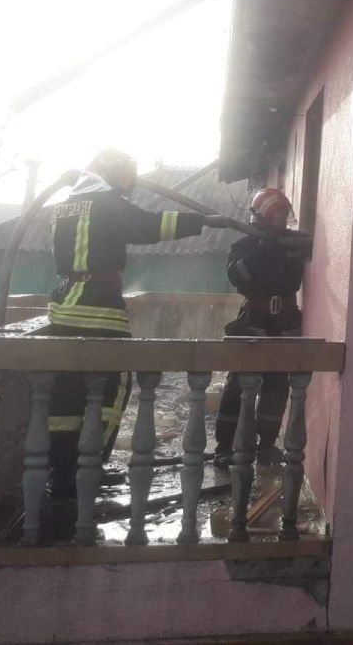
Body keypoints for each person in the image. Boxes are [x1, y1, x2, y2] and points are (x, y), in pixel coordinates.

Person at [47, 149, 232, 501]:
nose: (129, 187)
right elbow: (149, 225)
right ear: (114, 174)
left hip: (63, 304)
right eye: (126, 179)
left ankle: (61, 468)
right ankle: (87, 466)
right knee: (113, 386)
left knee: (65, 391)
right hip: (98, 306)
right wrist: (203, 221)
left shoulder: (66, 205)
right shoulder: (107, 202)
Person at [213, 187, 311, 467]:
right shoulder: (244, 245)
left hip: (285, 322)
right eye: (279, 214)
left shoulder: (293, 244)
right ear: (265, 215)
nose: (284, 219)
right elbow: (238, 276)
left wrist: (283, 243)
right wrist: (264, 247)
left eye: (286, 213)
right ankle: (224, 446)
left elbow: (306, 254)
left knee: (277, 385)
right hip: (253, 321)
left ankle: (266, 444)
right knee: (238, 385)